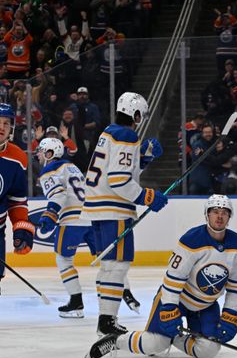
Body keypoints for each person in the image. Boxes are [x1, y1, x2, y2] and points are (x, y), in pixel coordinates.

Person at [88, 195, 237, 358]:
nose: (219, 216)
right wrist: (170, 307)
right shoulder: (192, 240)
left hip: (205, 306)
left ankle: (175, 338)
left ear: (230, 216)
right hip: (178, 300)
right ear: (207, 214)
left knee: (208, 351)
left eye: (224, 212)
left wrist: (231, 314)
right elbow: (174, 278)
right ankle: (117, 340)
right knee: (154, 345)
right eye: (215, 211)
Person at [83, 92, 166, 337]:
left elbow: (119, 168)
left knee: (109, 266)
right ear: (136, 114)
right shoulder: (127, 134)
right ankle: (107, 321)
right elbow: (119, 179)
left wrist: (144, 157)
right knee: (118, 266)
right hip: (114, 209)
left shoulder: (109, 131)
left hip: (98, 207)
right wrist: (147, 197)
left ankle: (105, 321)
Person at [36, 137, 140, 317]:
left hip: (71, 220)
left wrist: (50, 214)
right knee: (108, 260)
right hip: (91, 217)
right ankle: (126, 293)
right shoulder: (72, 166)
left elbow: (58, 195)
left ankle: (76, 303)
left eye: (41, 150)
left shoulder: (49, 170)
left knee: (63, 259)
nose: (37, 154)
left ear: (49, 153)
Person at [0, 103, 34, 293]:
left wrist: (21, 227)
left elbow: (16, 199)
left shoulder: (18, 157)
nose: (1, 128)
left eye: (6, 123)